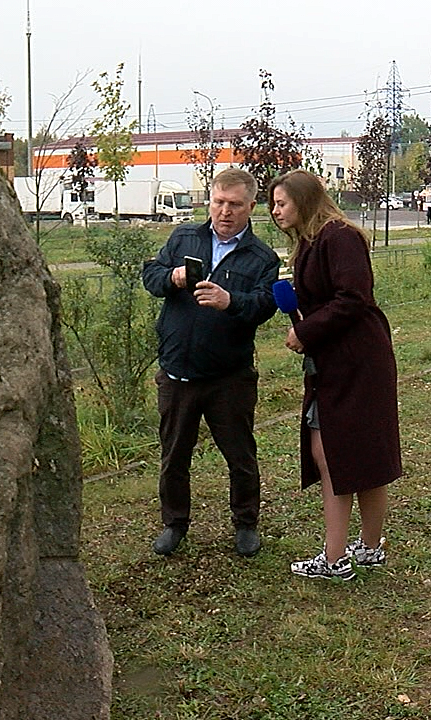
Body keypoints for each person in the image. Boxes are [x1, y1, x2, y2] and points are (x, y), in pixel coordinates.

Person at [267, 169, 402, 580]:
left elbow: (353, 298)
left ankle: (335, 557)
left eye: (281, 203)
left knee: (337, 456)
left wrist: (306, 330)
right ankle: (368, 548)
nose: (274, 211)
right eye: (273, 204)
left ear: (304, 201)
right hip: (342, 360)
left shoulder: (339, 237)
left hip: (355, 364)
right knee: (358, 454)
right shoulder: (314, 241)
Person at [141, 168, 281, 557]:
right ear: (210, 200)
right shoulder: (185, 237)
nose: (225, 211)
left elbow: (264, 305)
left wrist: (229, 301)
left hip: (229, 376)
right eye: (219, 202)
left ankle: (246, 524)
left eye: (235, 204)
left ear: (252, 207)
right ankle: (174, 524)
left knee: (240, 455)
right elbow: (151, 276)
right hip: (177, 372)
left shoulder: (261, 257)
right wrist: (174, 277)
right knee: (173, 457)